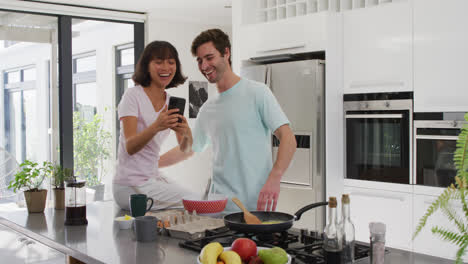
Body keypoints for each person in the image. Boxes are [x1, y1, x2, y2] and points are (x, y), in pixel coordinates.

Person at [189, 28, 297, 213]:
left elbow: (288, 138)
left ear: (226, 53)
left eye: (209, 57)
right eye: (199, 60)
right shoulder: (207, 108)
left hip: (253, 209)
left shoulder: (257, 93)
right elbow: (190, 148)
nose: (204, 65)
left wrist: (275, 177)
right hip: (217, 209)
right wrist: (153, 164)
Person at [112, 40, 196, 211]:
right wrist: (157, 126)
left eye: (171, 62)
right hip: (130, 185)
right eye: (159, 62)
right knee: (195, 202)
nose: (166, 67)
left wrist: (187, 133)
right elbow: (130, 146)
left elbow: (185, 151)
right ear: (147, 66)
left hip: (151, 178)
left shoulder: (170, 102)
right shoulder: (132, 96)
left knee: (199, 199)